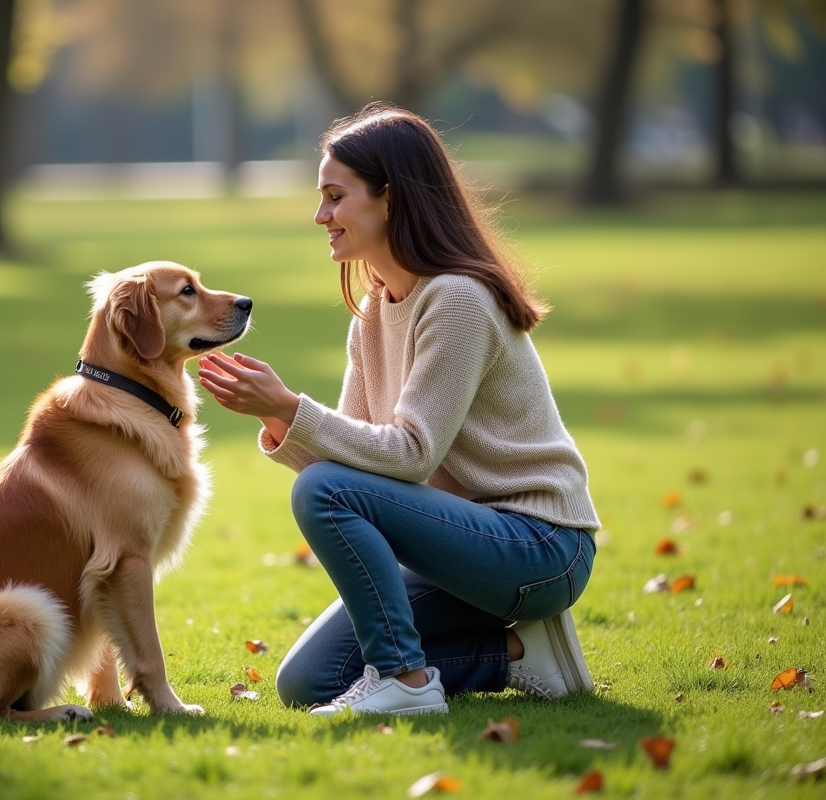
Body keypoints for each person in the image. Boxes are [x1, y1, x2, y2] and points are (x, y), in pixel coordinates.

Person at [197, 103, 601, 717]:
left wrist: (289, 404)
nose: (320, 216)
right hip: (458, 545)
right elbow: (355, 451)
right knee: (308, 682)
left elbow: (409, 456)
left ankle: (406, 683)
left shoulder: (457, 300)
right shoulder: (376, 310)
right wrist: (272, 416)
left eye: (335, 196)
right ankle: (518, 653)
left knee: (323, 490)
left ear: (390, 199)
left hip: (540, 546)